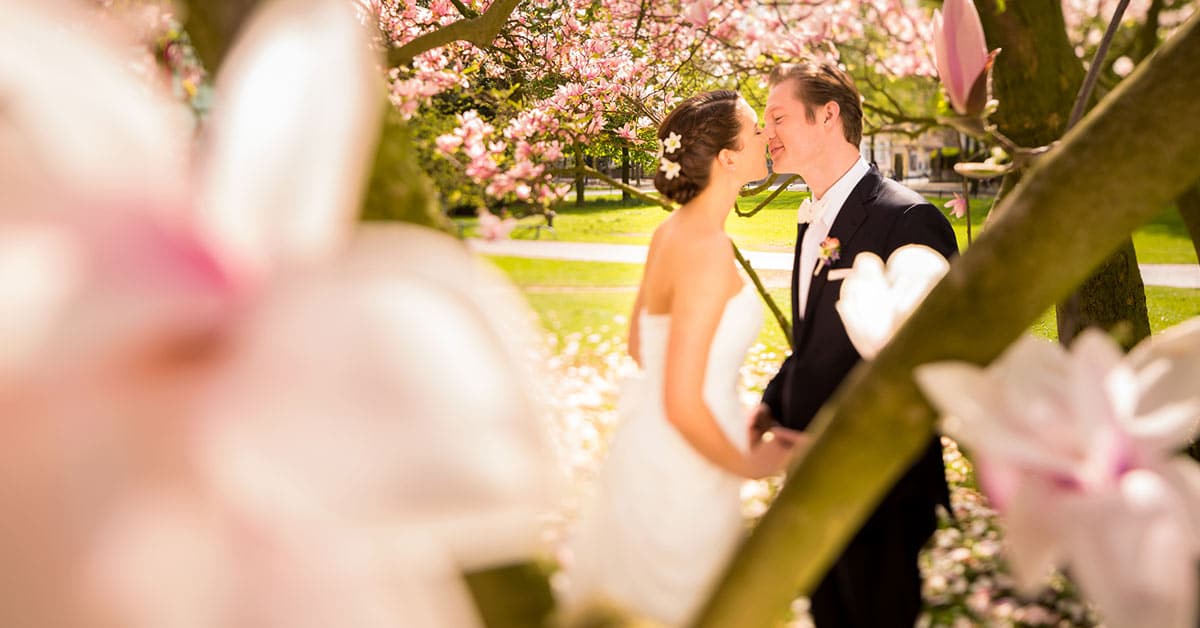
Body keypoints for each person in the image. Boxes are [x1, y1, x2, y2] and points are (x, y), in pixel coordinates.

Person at [563, 90, 805, 626]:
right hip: (684, 469)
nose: (767, 137)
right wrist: (750, 463)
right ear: (727, 158)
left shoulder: (669, 233)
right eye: (755, 131)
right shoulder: (706, 249)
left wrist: (728, 406)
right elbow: (679, 397)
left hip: (653, 450)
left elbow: (639, 346)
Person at [754, 61, 957, 628]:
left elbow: (931, 358)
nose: (767, 133)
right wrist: (773, 403)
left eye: (777, 117)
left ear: (827, 117)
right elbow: (812, 339)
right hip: (811, 478)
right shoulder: (808, 217)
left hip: (879, 485)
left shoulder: (907, 218)